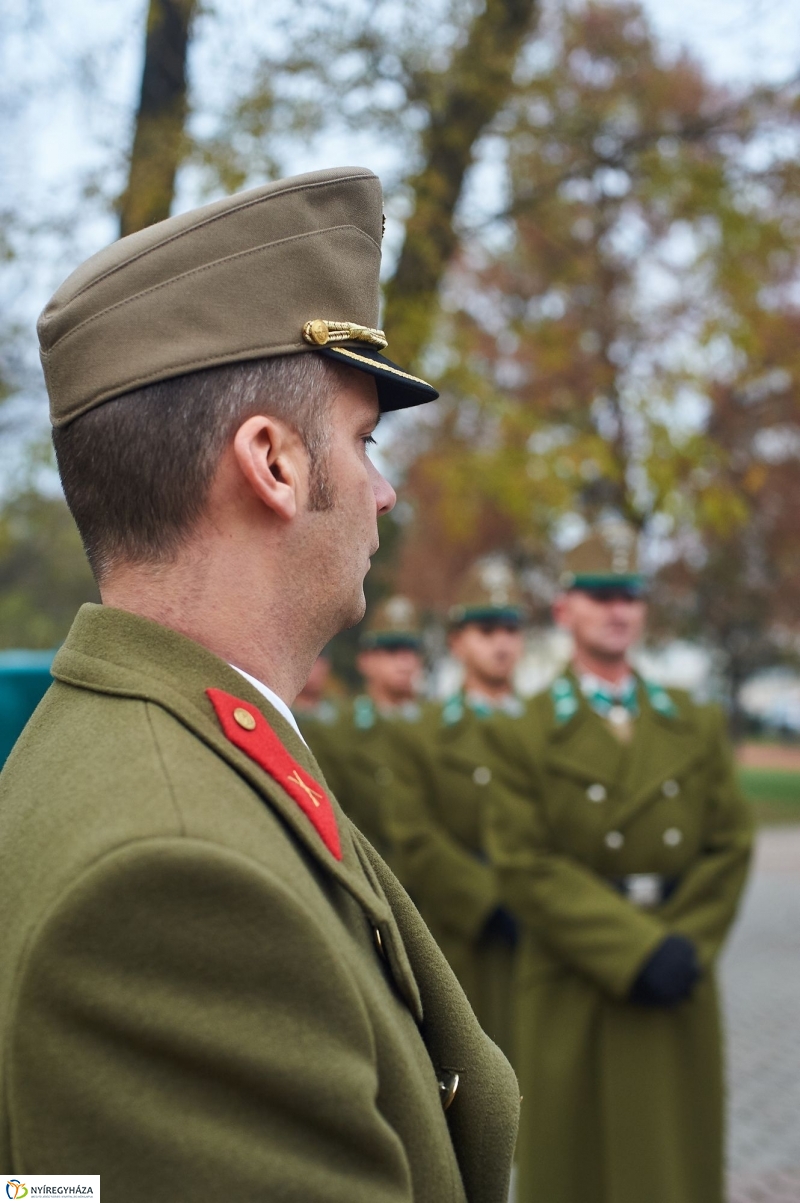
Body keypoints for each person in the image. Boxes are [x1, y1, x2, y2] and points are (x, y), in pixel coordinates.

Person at [0, 167, 519, 1199]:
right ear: (272, 465)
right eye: (363, 442)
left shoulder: (133, 742)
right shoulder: (174, 879)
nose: (383, 493)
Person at [485, 522, 753, 1203]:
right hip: (576, 981)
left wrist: (681, 945)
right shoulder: (526, 729)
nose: (618, 609)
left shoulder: (692, 721)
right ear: (563, 609)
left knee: (671, 1169)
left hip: (678, 971)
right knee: (578, 1171)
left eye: (630, 593)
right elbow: (523, 861)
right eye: (600, 593)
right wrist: (634, 951)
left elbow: (730, 843)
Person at [388, 560, 527, 1062]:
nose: (502, 643)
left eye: (511, 629)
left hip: (547, 946)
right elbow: (414, 836)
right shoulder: (420, 734)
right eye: (486, 630)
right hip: (462, 943)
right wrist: (489, 900)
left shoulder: (551, 731)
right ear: (457, 643)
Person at [299, 595, 425, 858]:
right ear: (365, 660)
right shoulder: (338, 731)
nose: (403, 660)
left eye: (411, 650)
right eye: (391, 649)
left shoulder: (436, 728)